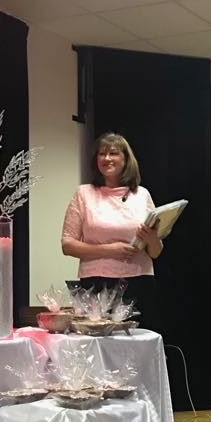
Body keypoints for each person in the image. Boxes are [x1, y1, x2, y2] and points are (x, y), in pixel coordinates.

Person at [61, 132, 162, 330]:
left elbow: (156, 252)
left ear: (126, 160)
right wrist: (110, 250)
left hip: (139, 281)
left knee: (139, 340)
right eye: (102, 154)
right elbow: (67, 245)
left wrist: (151, 238)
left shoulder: (142, 194)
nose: (107, 158)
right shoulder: (84, 193)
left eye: (113, 153)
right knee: (99, 340)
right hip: (96, 282)